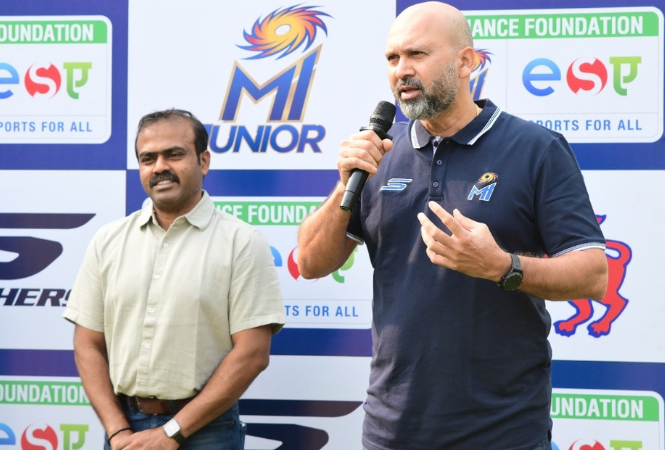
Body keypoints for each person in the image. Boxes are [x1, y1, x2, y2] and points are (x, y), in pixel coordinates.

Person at [296, 2, 608, 450]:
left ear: (466, 62)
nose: (402, 70)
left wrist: (502, 266)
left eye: (417, 54)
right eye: (392, 58)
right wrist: (345, 184)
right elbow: (310, 262)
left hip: (503, 432)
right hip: (392, 430)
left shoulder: (536, 149)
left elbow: (593, 274)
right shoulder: (379, 151)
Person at [63, 109, 285, 450]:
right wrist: (117, 431)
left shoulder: (241, 242)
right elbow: (87, 344)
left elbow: (252, 353)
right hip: (124, 428)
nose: (159, 167)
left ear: (203, 161)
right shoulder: (108, 241)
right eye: (148, 158)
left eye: (174, 154)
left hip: (207, 431)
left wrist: (173, 431)